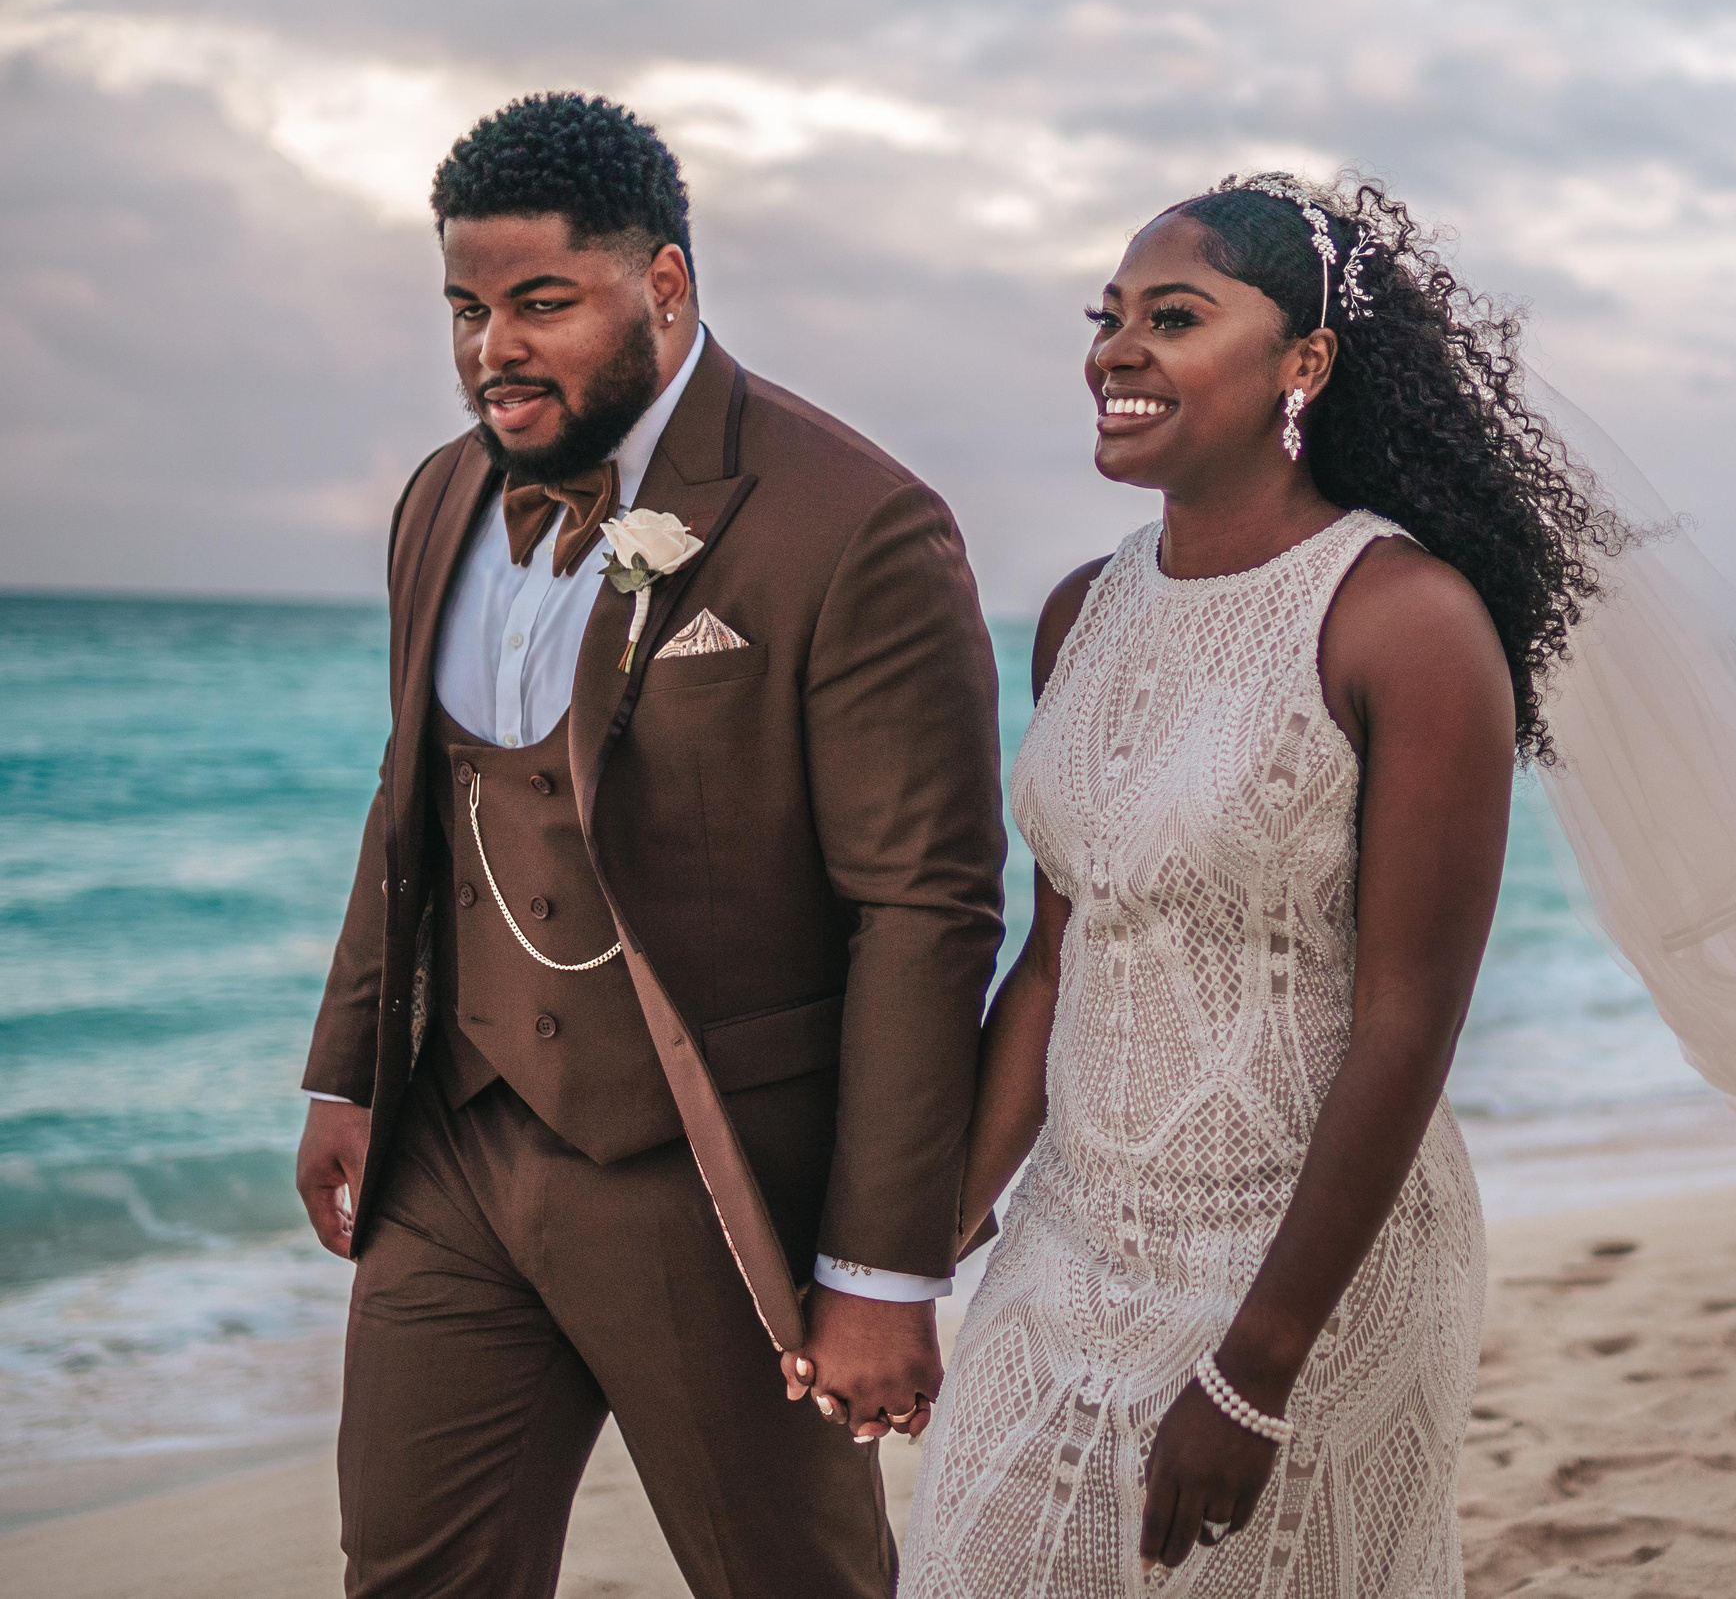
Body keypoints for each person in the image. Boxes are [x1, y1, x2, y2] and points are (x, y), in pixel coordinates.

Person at [290, 92, 1006, 1598]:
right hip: (455, 1152)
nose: (496, 346)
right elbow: (411, 796)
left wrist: (883, 1268)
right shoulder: (438, 499)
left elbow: (922, 913)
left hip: (709, 1175)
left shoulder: (854, 524)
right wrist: (349, 1068)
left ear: (665, 286)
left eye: (542, 301)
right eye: (469, 309)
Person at [895, 174, 1615, 1597]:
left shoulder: (1405, 620)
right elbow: (1055, 958)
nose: (1117, 351)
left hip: (1305, 1273)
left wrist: (1253, 1372)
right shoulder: (1080, 612)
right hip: (1071, 1236)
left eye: (1175, 316)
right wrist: (920, 1253)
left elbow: (1408, 1020)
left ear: (1306, 363)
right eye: (1107, 320)